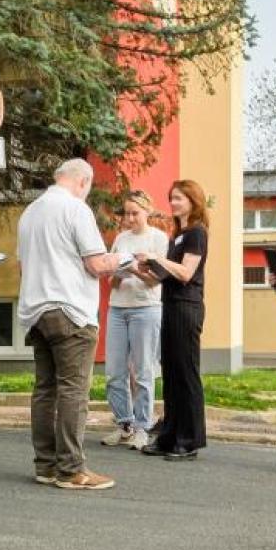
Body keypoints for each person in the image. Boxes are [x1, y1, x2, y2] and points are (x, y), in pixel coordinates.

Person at [16, 158, 126, 490]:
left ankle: (45, 465)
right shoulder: (76, 209)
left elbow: (24, 268)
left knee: (45, 390)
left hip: (36, 310)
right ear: (83, 181)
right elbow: (95, 264)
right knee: (73, 392)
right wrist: (122, 258)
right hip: (71, 310)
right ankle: (71, 469)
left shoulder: (29, 213)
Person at [138, 179, 208, 460]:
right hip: (170, 304)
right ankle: (169, 436)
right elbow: (163, 277)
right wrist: (137, 269)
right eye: (172, 198)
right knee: (170, 375)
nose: (173, 203)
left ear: (193, 200)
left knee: (186, 374)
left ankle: (189, 440)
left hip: (187, 308)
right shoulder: (177, 236)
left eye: (179, 198)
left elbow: (186, 273)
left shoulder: (197, 234)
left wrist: (156, 257)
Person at [102, 191, 167, 450]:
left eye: (134, 213)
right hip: (118, 307)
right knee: (114, 372)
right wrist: (118, 272)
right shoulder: (120, 238)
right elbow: (111, 279)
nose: (129, 218)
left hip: (145, 308)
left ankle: (142, 426)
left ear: (147, 212)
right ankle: (124, 424)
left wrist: (133, 269)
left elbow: (156, 279)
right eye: (126, 213)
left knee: (143, 371)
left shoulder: (158, 239)